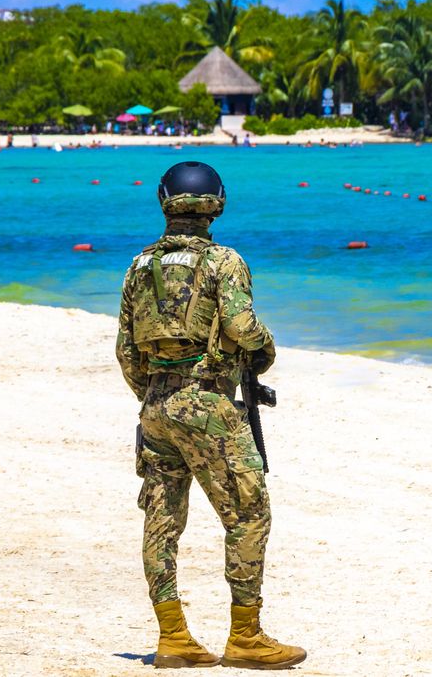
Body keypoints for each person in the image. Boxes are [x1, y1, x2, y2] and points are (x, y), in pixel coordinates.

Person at [115, 161, 306, 670]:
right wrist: (264, 351)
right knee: (248, 513)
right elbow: (243, 327)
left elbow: (126, 353)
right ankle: (245, 637)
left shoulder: (138, 267)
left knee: (161, 522)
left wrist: (156, 394)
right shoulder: (225, 261)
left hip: (156, 406)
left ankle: (174, 637)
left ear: (164, 202)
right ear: (217, 204)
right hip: (209, 404)